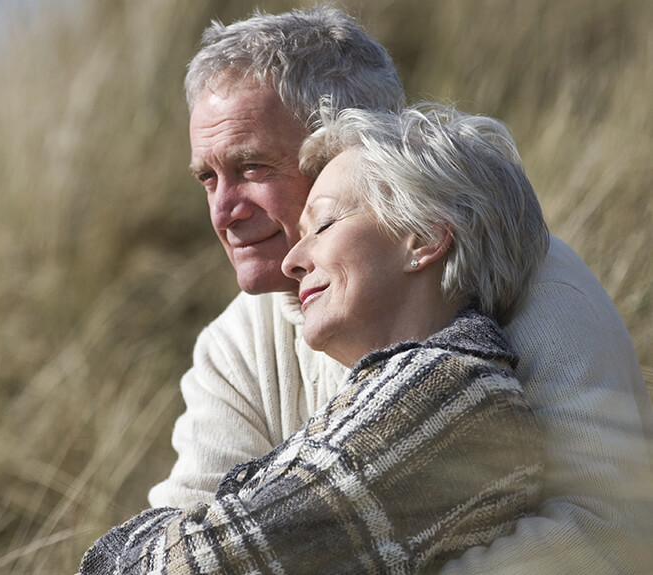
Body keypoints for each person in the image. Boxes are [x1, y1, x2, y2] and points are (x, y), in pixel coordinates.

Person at [146, 6, 653, 574]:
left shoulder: (536, 285)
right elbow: (184, 542)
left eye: (252, 167)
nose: (222, 211)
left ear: (352, 148)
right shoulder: (233, 346)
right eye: (207, 178)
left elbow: (613, 532)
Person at [79, 103, 546, 574]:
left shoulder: (446, 394)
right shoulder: (419, 387)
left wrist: (134, 544)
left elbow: (197, 565)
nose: (291, 261)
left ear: (422, 238)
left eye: (322, 225)